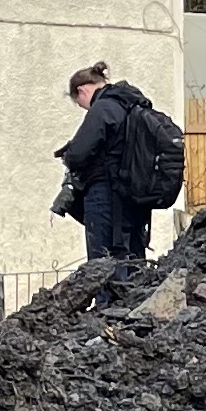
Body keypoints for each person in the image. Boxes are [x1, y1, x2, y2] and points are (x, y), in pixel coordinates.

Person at [56, 61, 153, 262]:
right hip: (135, 197)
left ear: (82, 91)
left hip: (105, 195)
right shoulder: (133, 104)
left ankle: (108, 294)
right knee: (132, 259)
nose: (85, 108)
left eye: (80, 104)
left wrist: (68, 155)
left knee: (103, 261)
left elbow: (78, 154)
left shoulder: (102, 108)